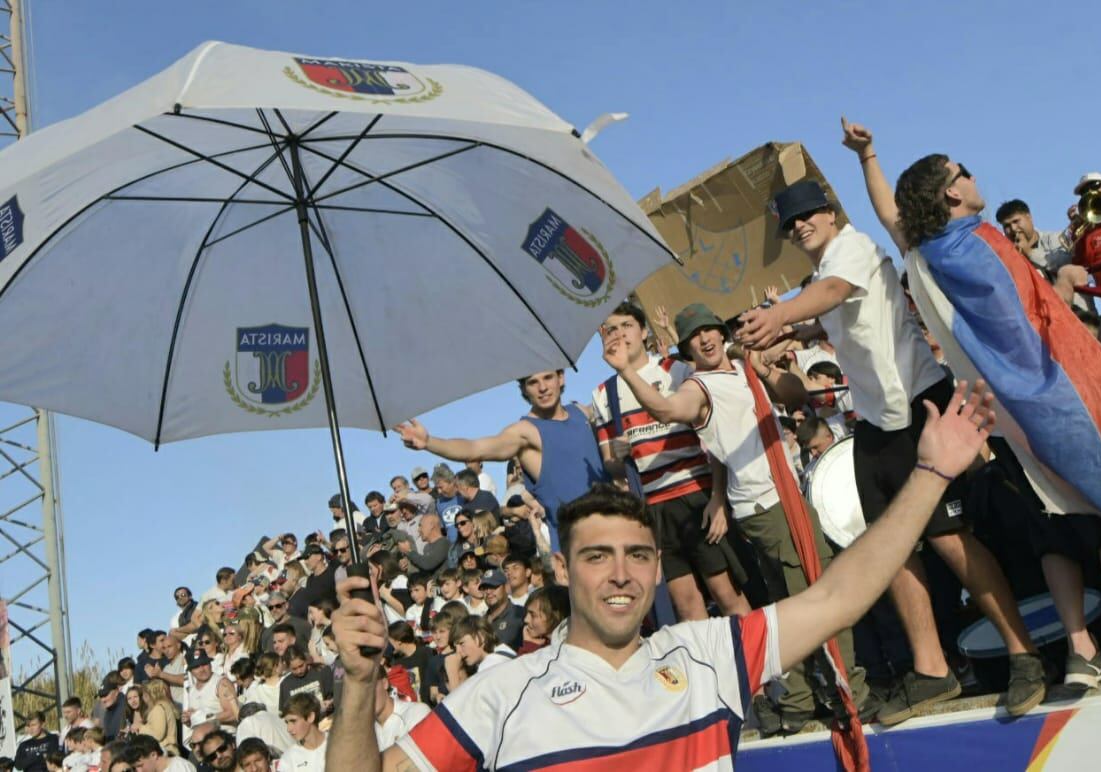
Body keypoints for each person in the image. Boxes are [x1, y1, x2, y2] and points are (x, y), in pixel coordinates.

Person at [325, 382, 993, 769]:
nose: (621, 574)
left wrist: (931, 473)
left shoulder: (709, 653)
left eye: (637, 555)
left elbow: (842, 594)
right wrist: (358, 687)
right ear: (562, 565)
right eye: (596, 556)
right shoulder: (499, 695)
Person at [736, 137, 1045, 723]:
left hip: (919, 408)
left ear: (830, 212)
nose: (800, 226)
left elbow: (832, 294)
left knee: (952, 542)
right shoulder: (825, 266)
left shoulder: (850, 249)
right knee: (892, 548)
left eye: (807, 215)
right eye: (790, 223)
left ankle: (1023, 652)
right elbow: (838, 313)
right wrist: (790, 338)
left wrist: (777, 315)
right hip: (875, 422)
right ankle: (932, 671)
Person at [893, 150, 1101, 694]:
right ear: (952, 193)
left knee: (1057, 534)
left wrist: (869, 158)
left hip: (1004, 421)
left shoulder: (923, 255)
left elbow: (895, 217)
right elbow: (1021, 325)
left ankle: (1082, 656)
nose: (975, 177)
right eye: (964, 172)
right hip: (1055, 405)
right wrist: (1062, 289)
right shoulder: (978, 243)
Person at [608, 302, 869, 731]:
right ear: (688, 347)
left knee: (794, 605)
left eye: (709, 329)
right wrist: (627, 371)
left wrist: (764, 368)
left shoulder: (744, 370)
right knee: (818, 600)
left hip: (778, 502)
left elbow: (796, 395)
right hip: (766, 509)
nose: (706, 339)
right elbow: (668, 410)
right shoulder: (699, 386)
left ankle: (805, 696)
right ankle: (847, 691)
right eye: (695, 336)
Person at [592, 301, 752, 622]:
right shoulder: (602, 393)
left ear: (643, 330)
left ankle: (763, 669)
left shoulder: (675, 370)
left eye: (627, 325)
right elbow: (611, 465)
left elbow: (713, 437)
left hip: (697, 495)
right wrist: (618, 457)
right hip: (656, 508)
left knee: (728, 596)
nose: (620, 334)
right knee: (687, 607)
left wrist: (718, 498)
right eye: (612, 329)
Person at [395, 369, 609, 550]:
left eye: (548, 378)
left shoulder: (582, 412)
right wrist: (430, 442)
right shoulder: (524, 432)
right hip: (576, 543)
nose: (543, 387)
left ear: (561, 377)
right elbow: (474, 448)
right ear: (524, 389)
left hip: (615, 527)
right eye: (533, 382)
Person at [994, 198, 1071, 272]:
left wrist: (1029, 252)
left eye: (1016, 221)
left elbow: (1066, 264)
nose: (1013, 229)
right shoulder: (1005, 256)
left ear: (1029, 217)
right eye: (1007, 226)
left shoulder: (1054, 238)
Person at [371, 669, 430, 753]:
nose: (366, 697)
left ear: (385, 683)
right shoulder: (364, 733)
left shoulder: (416, 713)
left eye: (370, 688)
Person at [277, 645, 334, 715]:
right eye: (294, 669)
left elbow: (336, 695)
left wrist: (330, 703)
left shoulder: (322, 671)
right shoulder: (285, 684)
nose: (299, 671)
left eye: (301, 665)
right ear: (288, 668)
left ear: (306, 660)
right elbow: (285, 712)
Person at [478, 568, 525, 651]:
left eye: (493, 587)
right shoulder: (480, 622)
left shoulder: (520, 615)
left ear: (506, 587)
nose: (488, 592)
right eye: (485, 588)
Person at [278, 694, 327, 772]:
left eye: (293, 721)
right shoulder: (288, 759)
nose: (288, 729)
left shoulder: (338, 743)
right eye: (287, 722)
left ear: (311, 717)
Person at [519, 585, 570, 655]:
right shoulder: (545, 644)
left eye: (533, 615)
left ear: (554, 615)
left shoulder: (566, 649)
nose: (526, 620)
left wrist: (529, 646)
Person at [139, 680, 180, 757]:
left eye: (144, 694)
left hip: (165, 752)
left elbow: (158, 735)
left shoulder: (158, 708)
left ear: (150, 694)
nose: (143, 697)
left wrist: (141, 727)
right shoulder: (164, 706)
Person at [122, 734, 197, 771]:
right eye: (135, 768)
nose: (139, 771)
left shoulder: (180, 767)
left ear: (154, 755)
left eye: (140, 765)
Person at [93, 672, 129, 742]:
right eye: (101, 696)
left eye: (105, 695)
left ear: (116, 692)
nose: (103, 700)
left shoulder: (126, 705)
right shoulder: (109, 709)